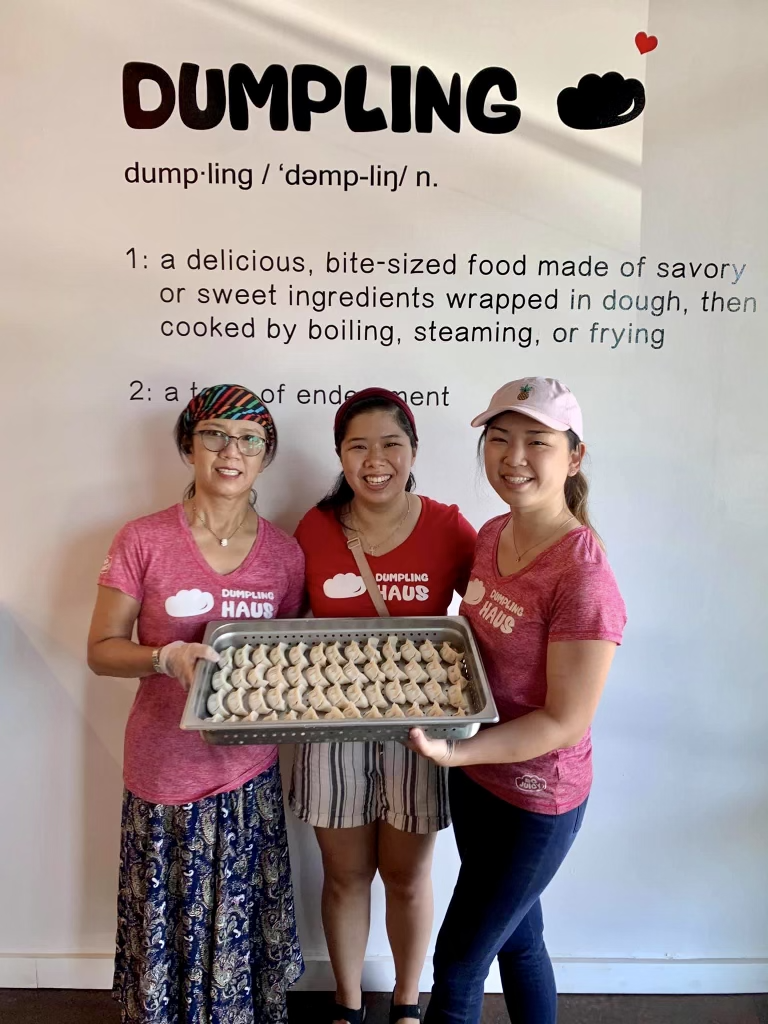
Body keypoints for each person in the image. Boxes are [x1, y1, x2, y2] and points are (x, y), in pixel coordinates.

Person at [408, 377, 627, 1024]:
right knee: (520, 941)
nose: (514, 457)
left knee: (457, 964)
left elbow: (565, 720)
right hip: (477, 778)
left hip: (537, 800)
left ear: (575, 456)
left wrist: (455, 751)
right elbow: (475, 646)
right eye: (499, 439)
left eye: (537, 441)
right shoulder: (492, 533)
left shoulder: (584, 577)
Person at [87, 384, 305, 1024]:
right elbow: (101, 649)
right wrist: (165, 656)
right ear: (188, 444)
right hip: (163, 773)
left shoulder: (285, 554)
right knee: (169, 936)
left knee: (239, 942)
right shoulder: (143, 540)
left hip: (246, 775)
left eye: (249, 439)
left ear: (266, 456)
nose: (230, 451)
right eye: (214, 434)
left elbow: (288, 657)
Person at [289, 388, 476, 1024]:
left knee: (407, 875)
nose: (375, 460)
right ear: (340, 455)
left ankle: (404, 1001)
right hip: (332, 724)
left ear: (413, 451)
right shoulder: (315, 528)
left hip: (418, 728)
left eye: (391, 444)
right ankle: (345, 1002)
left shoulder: (448, 526)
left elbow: (496, 601)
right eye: (358, 446)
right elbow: (287, 622)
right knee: (343, 876)